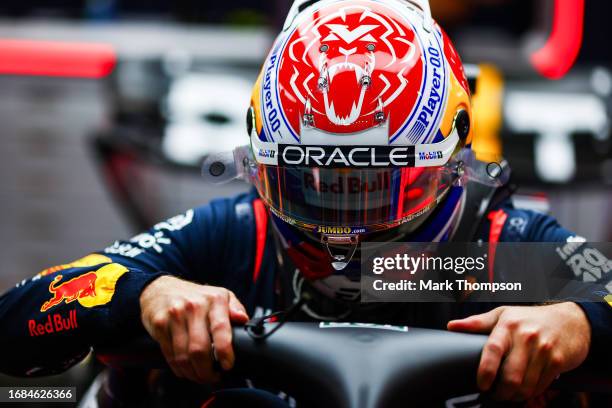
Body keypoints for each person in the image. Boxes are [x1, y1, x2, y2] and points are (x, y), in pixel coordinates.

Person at [0, 0, 610, 406]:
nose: (343, 232)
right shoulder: (236, 232)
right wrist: (145, 296)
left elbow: (604, 285)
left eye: (373, 187)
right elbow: (16, 319)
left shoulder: (502, 248)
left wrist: (580, 322)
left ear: (453, 157)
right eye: (316, 181)